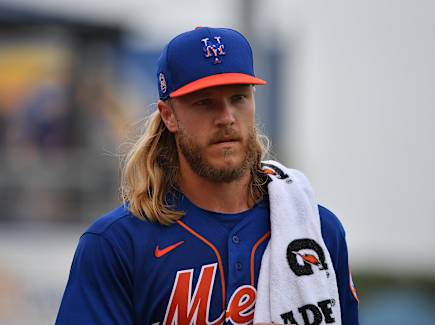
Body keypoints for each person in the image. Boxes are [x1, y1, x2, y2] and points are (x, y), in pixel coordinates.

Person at [56, 27, 359, 325]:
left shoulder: (315, 232)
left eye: (238, 98)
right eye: (205, 102)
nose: (226, 117)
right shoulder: (116, 244)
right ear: (169, 115)